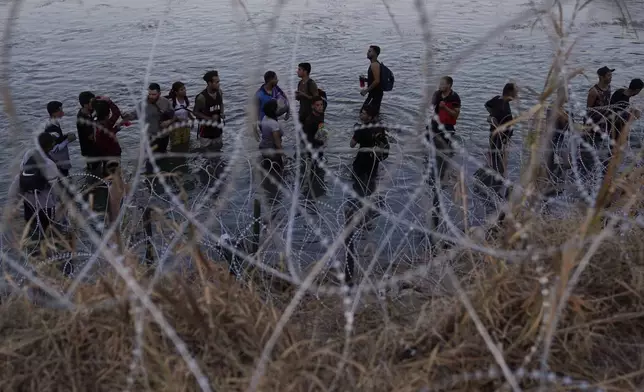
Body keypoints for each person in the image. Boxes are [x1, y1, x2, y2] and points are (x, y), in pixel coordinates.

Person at [15, 132, 61, 244]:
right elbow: (55, 188)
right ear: (50, 146)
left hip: (28, 201)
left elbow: (21, 171)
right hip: (43, 202)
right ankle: (46, 251)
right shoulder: (49, 164)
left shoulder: (28, 154)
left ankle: (31, 249)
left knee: (31, 226)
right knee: (47, 229)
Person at [428, 76, 461, 183]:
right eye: (439, 84)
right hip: (435, 125)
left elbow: (456, 115)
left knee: (445, 150)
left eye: (443, 84)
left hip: (447, 127)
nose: (440, 86)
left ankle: (444, 171)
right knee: (432, 148)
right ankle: (432, 171)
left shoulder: (454, 98)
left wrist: (445, 108)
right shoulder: (436, 94)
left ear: (449, 85)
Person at [258, 99, 285, 220]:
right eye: (277, 107)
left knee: (268, 171)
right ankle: (274, 192)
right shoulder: (273, 124)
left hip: (264, 148)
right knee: (277, 173)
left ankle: (268, 188)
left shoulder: (265, 119)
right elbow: (277, 141)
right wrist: (283, 155)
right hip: (272, 151)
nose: (279, 109)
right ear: (273, 110)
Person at [485, 83, 517, 179]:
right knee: (498, 157)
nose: (516, 95)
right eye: (515, 93)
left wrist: (491, 116)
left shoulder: (497, 98)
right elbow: (508, 127)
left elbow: (487, 105)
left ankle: (492, 172)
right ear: (510, 92)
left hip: (492, 133)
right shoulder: (505, 108)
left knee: (492, 154)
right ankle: (497, 177)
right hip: (500, 138)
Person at [194, 70, 225, 152]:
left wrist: (221, 113)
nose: (219, 84)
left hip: (218, 129)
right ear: (209, 83)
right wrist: (209, 118)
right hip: (206, 132)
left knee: (218, 151)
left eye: (219, 82)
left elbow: (221, 103)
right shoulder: (201, 97)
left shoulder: (219, 92)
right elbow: (196, 112)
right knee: (206, 155)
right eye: (216, 82)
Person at [92, 96, 123, 177]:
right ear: (107, 113)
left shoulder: (95, 123)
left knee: (107, 173)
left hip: (103, 154)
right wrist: (109, 101)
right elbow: (116, 113)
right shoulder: (107, 123)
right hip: (113, 154)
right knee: (115, 175)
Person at [45, 101, 76, 176]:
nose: (62, 112)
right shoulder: (51, 128)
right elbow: (53, 149)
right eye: (60, 110)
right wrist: (68, 140)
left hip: (61, 159)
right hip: (58, 161)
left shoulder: (54, 123)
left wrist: (65, 136)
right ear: (53, 112)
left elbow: (57, 139)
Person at [77, 91, 101, 172]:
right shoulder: (82, 118)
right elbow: (91, 137)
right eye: (92, 102)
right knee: (94, 170)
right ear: (85, 104)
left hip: (95, 147)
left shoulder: (91, 111)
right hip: (89, 149)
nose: (94, 104)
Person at [167, 81, 194, 151]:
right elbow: (169, 117)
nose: (184, 91)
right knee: (176, 147)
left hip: (185, 127)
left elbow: (187, 111)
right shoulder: (172, 102)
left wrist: (192, 119)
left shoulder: (186, 100)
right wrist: (179, 119)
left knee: (186, 144)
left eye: (184, 88)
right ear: (176, 92)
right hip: (175, 129)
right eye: (181, 89)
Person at [360, 45, 384, 116]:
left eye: (370, 51)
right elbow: (375, 79)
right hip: (376, 94)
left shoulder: (374, 65)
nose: (367, 53)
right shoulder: (375, 64)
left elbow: (377, 81)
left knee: (364, 113)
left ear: (376, 53)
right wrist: (366, 80)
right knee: (373, 114)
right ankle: (376, 125)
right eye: (368, 51)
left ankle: (372, 126)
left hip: (374, 95)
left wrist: (365, 90)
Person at [295, 63, 319, 127]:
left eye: (299, 69)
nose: (297, 71)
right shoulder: (300, 83)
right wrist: (296, 96)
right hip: (302, 113)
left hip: (311, 114)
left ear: (305, 71)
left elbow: (317, 99)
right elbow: (298, 98)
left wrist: (304, 95)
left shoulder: (311, 83)